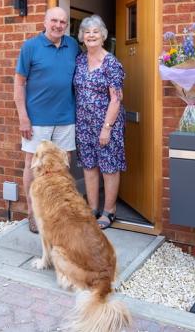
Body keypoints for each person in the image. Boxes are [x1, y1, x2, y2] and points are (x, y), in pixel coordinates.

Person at [14, 7, 80, 233]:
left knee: (62, 166)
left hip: (66, 118)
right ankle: (33, 213)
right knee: (32, 165)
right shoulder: (30, 47)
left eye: (63, 22)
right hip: (37, 120)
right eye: (54, 20)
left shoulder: (73, 46)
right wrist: (23, 116)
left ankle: (59, 211)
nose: (58, 25)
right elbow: (19, 83)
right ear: (45, 21)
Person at [73, 15, 126, 230]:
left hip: (106, 124)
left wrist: (106, 128)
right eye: (87, 32)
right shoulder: (79, 60)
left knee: (109, 167)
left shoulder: (111, 63)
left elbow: (116, 98)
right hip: (83, 123)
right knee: (89, 166)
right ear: (82, 37)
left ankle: (109, 210)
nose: (91, 35)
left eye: (96, 31)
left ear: (103, 36)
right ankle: (92, 208)